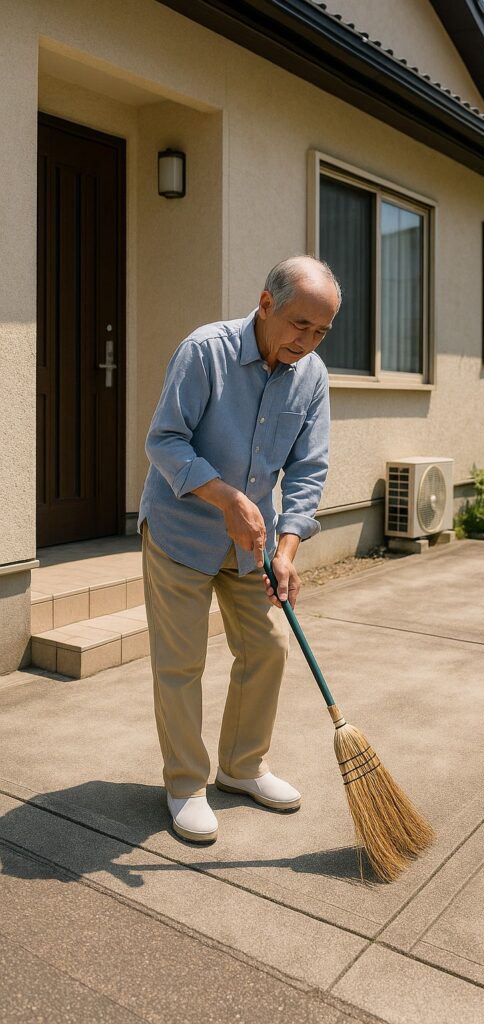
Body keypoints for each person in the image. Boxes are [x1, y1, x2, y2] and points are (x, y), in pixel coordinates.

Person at [138, 255, 341, 843]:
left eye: (321, 331)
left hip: (253, 543)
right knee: (181, 664)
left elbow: (308, 469)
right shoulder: (205, 352)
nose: (308, 342)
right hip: (180, 532)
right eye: (300, 325)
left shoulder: (312, 376)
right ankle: (185, 784)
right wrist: (226, 498)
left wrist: (287, 550)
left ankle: (242, 766)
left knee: (268, 647)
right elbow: (164, 440)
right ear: (266, 303)